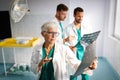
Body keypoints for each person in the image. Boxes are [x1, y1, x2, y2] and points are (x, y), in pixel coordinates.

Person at [63, 7, 98, 80]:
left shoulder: (87, 27)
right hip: (73, 54)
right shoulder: (67, 28)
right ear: (74, 15)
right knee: (73, 75)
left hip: (85, 54)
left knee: (85, 75)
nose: (81, 18)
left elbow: (92, 41)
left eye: (82, 16)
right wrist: (69, 47)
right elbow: (64, 43)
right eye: (79, 16)